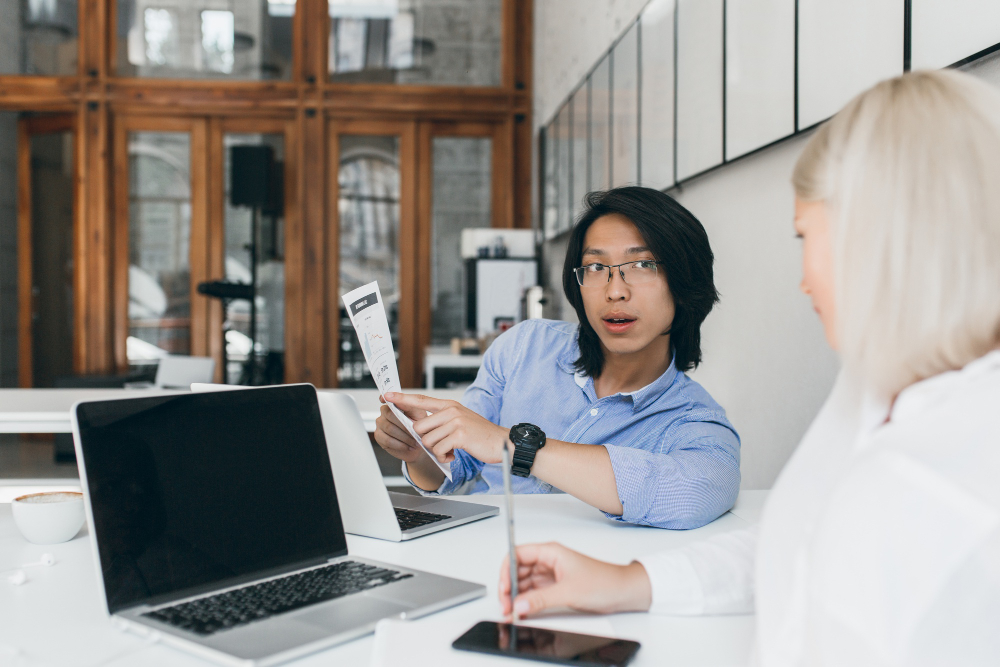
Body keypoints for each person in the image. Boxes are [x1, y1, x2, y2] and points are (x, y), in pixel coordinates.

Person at [498, 70, 1000, 665]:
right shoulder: (873, 387)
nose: (805, 277)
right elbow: (799, 545)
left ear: (886, 241)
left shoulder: (949, 480)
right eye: (597, 269)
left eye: (807, 237)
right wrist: (625, 581)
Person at [374, 187, 741, 529]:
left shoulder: (693, 422)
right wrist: (418, 453)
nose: (615, 291)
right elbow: (461, 464)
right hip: (483, 555)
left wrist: (515, 446)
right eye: (596, 268)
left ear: (685, 285)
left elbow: (693, 493)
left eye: (642, 265)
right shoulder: (524, 347)